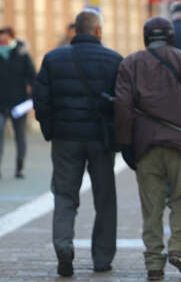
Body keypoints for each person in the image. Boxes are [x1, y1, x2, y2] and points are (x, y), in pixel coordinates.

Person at [114, 17, 181, 281]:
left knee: (151, 206)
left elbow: (122, 105)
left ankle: (153, 262)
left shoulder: (131, 63)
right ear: (171, 36)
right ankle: (178, 248)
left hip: (146, 146)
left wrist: (125, 143)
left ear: (146, 37)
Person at [33, 10, 122, 277]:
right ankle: (102, 258)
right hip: (101, 140)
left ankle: (63, 246)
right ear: (97, 31)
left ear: (76, 30)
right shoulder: (114, 60)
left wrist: (51, 131)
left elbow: (41, 100)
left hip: (65, 139)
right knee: (105, 199)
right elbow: (123, 103)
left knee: (64, 196)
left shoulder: (53, 58)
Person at [0, 26, 36, 179]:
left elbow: (33, 77)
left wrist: (31, 98)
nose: (3, 40)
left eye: (5, 37)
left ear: (12, 37)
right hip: (0, 104)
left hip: (19, 104)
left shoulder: (22, 55)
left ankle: (19, 167)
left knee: (20, 136)